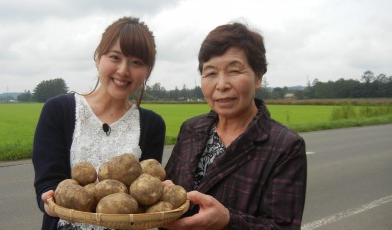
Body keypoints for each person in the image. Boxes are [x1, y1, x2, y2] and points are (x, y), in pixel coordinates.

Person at [164, 22, 307, 230]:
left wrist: (228, 220)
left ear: (258, 77)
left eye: (234, 71)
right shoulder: (191, 129)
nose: (221, 85)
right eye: (210, 73)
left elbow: (284, 227)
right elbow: (168, 192)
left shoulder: (285, 146)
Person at [32, 16, 165, 230]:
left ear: (147, 71)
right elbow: (47, 182)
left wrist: (161, 193)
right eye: (115, 57)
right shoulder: (58, 110)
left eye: (136, 62)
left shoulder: (153, 124)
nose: (123, 70)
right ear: (98, 58)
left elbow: (144, 194)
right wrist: (49, 201)